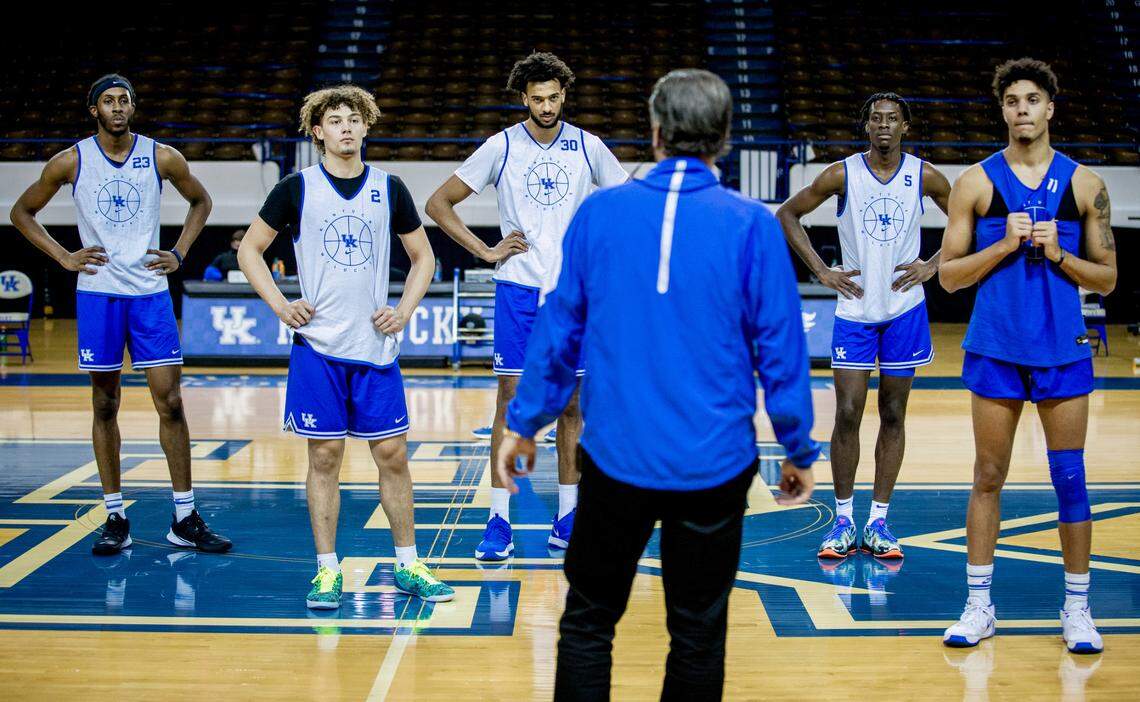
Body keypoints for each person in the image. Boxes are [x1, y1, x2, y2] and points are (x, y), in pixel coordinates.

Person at [497, 69, 819, 702]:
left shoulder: (599, 213)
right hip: (716, 465)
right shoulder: (752, 224)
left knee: (588, 623)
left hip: (617, 462)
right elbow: (782, 352)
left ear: (654, 133)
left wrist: (524, 422)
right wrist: (800, 448)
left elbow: (559, 331)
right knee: (697, 635)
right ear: (724, 139)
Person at [238, 85, 453, 608]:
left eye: (355, 119)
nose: (347, 128)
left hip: (376, 347)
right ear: (318, 131)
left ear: (367, 126)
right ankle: (327, 571)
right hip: (319, 348)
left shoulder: (390, 187)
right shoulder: (297, 188)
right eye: (335, 120)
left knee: (393, 455)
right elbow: (250, 249)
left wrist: (404, 310)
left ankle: (409, 565)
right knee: (326, 457)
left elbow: (423, 258)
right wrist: (281, 306)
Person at [9, 73, 230, 555]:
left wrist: (180, 251)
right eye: (108, 101)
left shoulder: (161, 155)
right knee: (105, 404)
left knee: (170, 402)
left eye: (124, 100)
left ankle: (185, 516)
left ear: (133, 108)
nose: (117, 107)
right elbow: (21, 213)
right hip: (98, 294)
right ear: (94, 110)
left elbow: (201, 200)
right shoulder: (70, 161)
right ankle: (115, 515)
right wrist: (65, 256)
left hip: (149, 292)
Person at [938, 58, 1117, 653]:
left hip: (1062, 351)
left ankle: (1078, 610)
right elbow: (949, 279)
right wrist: (1007, 245)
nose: (1022, 109)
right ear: (1003, 111)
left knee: (1071, 479)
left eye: (1031, 99)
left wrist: (1060, 256)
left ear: (1050, 108)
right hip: (996, 348)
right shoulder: (976, 183)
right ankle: (979, 605)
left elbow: (1109, 278)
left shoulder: (1086, 185)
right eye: (1012, 100)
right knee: (988, 476)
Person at [426, 52, 629, 561]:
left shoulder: (589, 147)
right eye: (536, 99)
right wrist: (485, 251)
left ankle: (569, 515)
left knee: (573, 405)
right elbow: (437, 203)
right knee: (511, 402)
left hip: (573, 293)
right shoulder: (502, 146)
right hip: (518, 288)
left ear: (564, 94)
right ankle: (498, 519)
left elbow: (630, 207)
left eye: (553, 97)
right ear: (524, 99)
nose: (545, 106)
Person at [776, 93, 952, 560]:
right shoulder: (841, 173)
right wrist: (821, 270)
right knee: (848, 413)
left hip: (904, 310)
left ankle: (878, 521)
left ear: (906, 126)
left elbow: (967, 221)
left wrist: (932, 265)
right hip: (854, 310)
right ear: (866, 126)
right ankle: (843, 518)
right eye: (876, 118)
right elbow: (787, 214)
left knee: (894, 413)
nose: (884, 126)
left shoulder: (925, 175)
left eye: (893, 119)